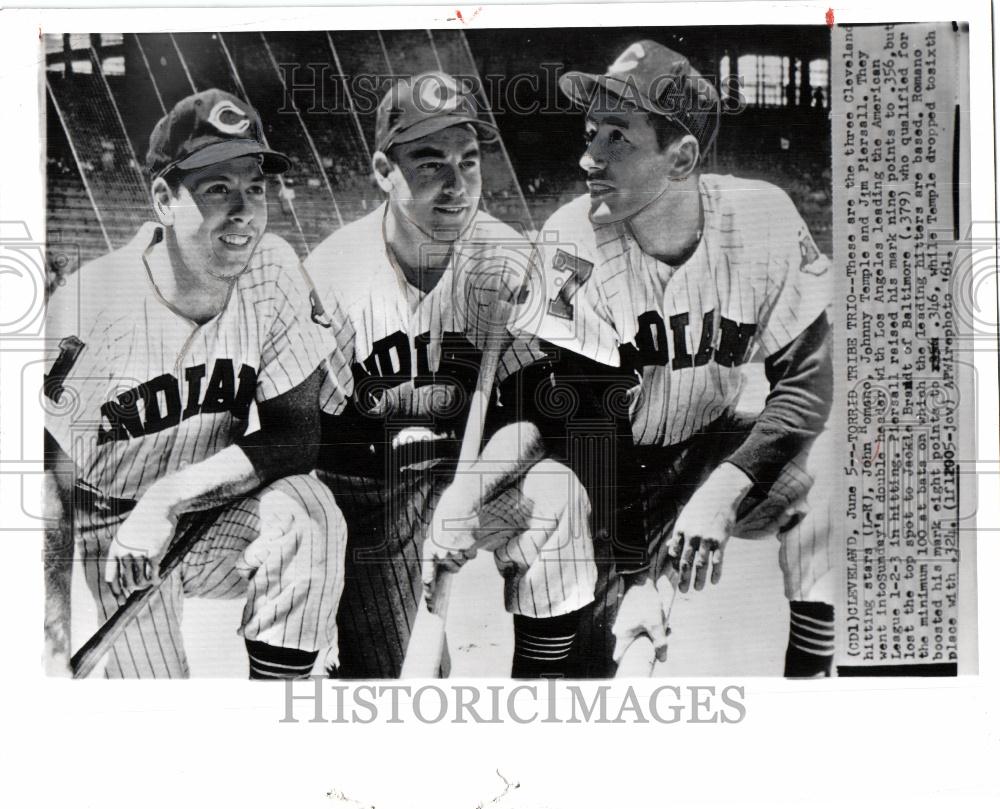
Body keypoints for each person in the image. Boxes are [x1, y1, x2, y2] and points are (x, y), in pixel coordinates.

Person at [498, 40, 835, 677]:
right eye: (590, 131)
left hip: (713, 448)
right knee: (600, 666)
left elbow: (809, 387)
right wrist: (638, 576)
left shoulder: (761, 219)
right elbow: (590, 424)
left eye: (616, 138)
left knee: (834, 486)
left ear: (680, 158)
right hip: (612, 470)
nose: (587, 156)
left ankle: (810, 692)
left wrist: (725, 489)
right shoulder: (572, 240)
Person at [43, 89, 347, 679]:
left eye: (254, 188)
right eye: (216, 189)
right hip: (114, 533)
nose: (244, 212)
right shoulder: (88, 306)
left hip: (210, 511)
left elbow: (296, 437)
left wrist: (168, 498)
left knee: (311, 515)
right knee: (162, 726)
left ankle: (273, 717)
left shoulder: (273, 267)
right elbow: (43, 491)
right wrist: (49, 648)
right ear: (163, 198)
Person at [306, 72, 597, 678]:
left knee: (557, 494)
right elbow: (314, 437)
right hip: (369, 490)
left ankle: (543, 695)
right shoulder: (333, 273)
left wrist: (464, 496)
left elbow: (536, 411)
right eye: (431, 165)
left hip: (469, 478)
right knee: (389, 684)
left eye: (469, 163)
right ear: (385, 171)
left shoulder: (508, 257)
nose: (457, 187)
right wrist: (417, 512)